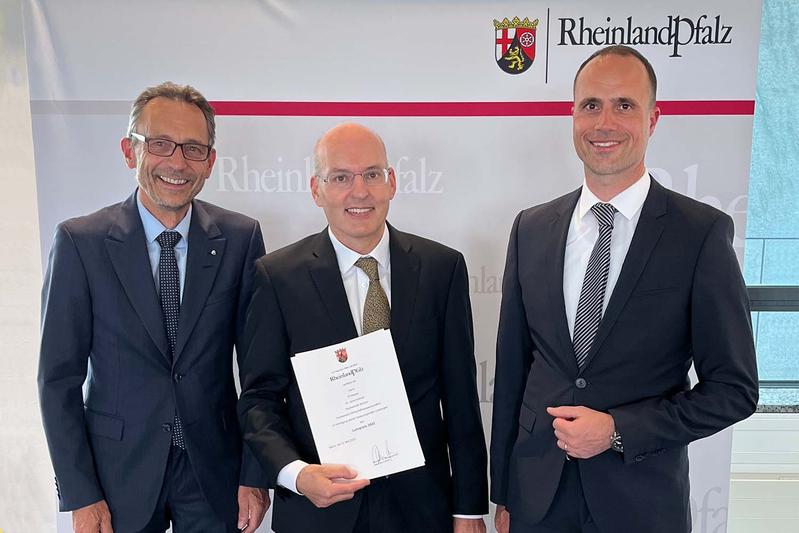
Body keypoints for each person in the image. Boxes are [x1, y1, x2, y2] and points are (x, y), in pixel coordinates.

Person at [489, 45, 759, 533]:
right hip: (537, 501)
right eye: (591, 105)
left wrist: (617, 431)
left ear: (654, 119)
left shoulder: (698, 234)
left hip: (641, 504)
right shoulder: (531, 228)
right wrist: (503, 494)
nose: (604, 122)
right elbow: (512, 372)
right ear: (572, 115)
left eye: (625, 105)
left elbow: (733, 390)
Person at [38, 82, 269, 533]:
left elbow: (260, 371)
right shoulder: (79, 243)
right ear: (130, 151)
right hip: (116, 476)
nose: (177, 162)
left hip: (214, 475)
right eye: (160, 144)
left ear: (210, 162)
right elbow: (57, 379)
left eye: (193, 149)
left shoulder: (241, 239)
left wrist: (254, 475)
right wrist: (81, 493)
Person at [238, 123, 488, 533]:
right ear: (316, 190)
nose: (360, 191)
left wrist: (469, 509)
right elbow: (259, 401)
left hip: (422, 510)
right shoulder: (278, 277)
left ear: (391, 182)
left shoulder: (442, 269)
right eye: (340, 177)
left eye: (372, 174)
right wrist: (297, 474)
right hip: (319, 512)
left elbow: (460, 399)